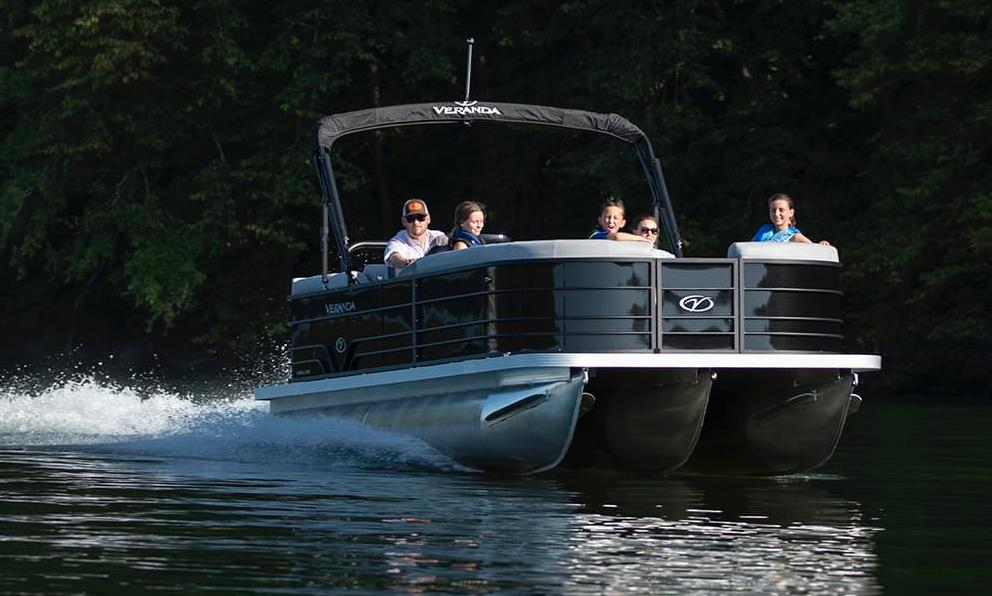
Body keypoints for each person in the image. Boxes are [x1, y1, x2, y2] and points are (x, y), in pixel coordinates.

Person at [384, 198, 449, 273]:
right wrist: (407, 262)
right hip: (410, 280)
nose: (416, 222)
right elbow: (394, 258)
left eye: (420, 218)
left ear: (428, 219)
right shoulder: (397, 241)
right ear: (404, 221)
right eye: (410, 219)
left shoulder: (438, 236)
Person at [752, 193, 831, 245]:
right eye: (773, 210)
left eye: (781, 210)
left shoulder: (795, 237)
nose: (776, 214)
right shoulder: (764, 230)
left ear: (791, 213)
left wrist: (822, 245)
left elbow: (814, 249)